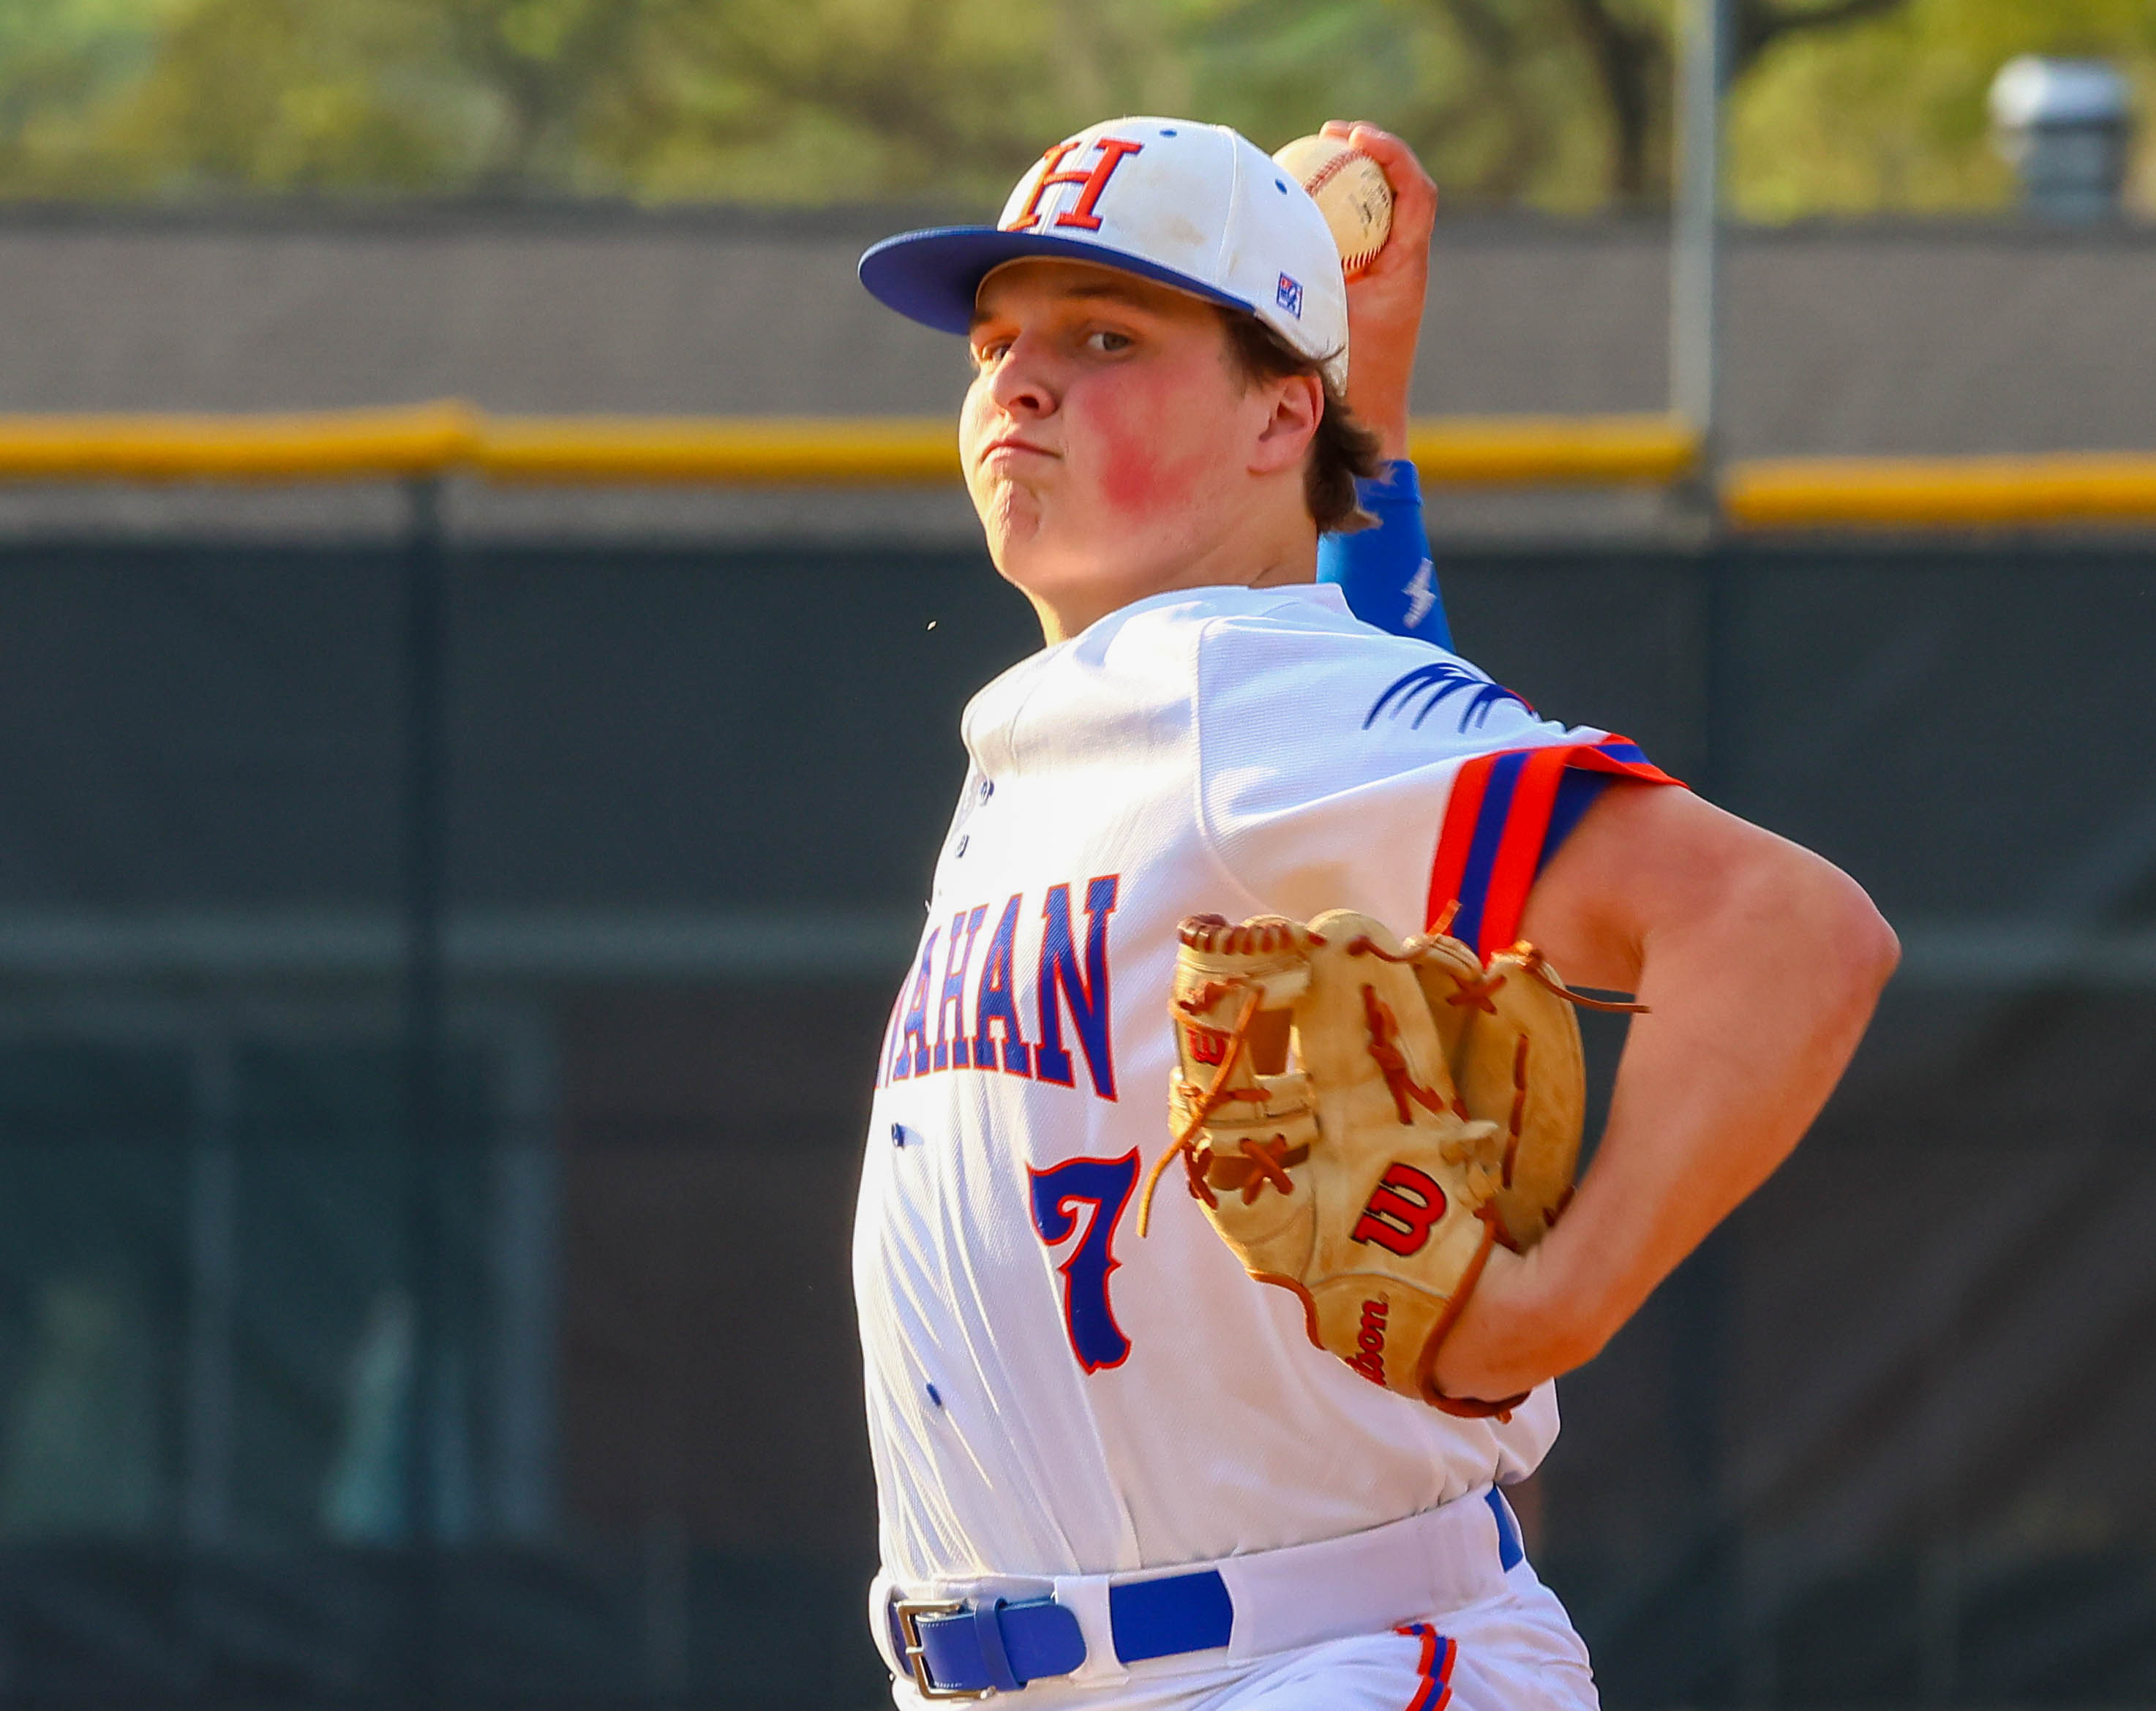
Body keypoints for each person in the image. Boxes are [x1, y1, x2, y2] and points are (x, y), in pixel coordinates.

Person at [852, 116, 1897, 1710]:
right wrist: (1367, 436)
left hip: (1300, 1661)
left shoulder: (1228, 687)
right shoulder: (1143, 705)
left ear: (1279, 413)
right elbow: (1330, 680)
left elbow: (1790, 931)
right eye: (996, 342)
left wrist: (1555, 1304)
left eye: (1105, 336)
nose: (1018, 381)